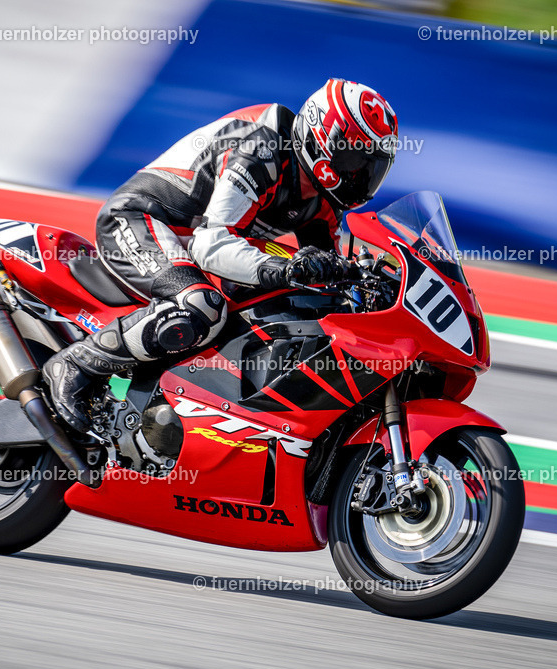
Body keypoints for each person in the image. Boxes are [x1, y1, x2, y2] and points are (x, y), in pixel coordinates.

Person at [44, 78, 398, 432]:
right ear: (321, 136)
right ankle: (77, 363)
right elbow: (210, 244)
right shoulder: (264, 148)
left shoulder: (323, 201)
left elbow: (326, 277)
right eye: (355, 160)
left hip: (191, 250)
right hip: (141, 221)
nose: (359, 176)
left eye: (371, 167)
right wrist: (286, 268)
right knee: (202, 306)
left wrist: (369, 283)